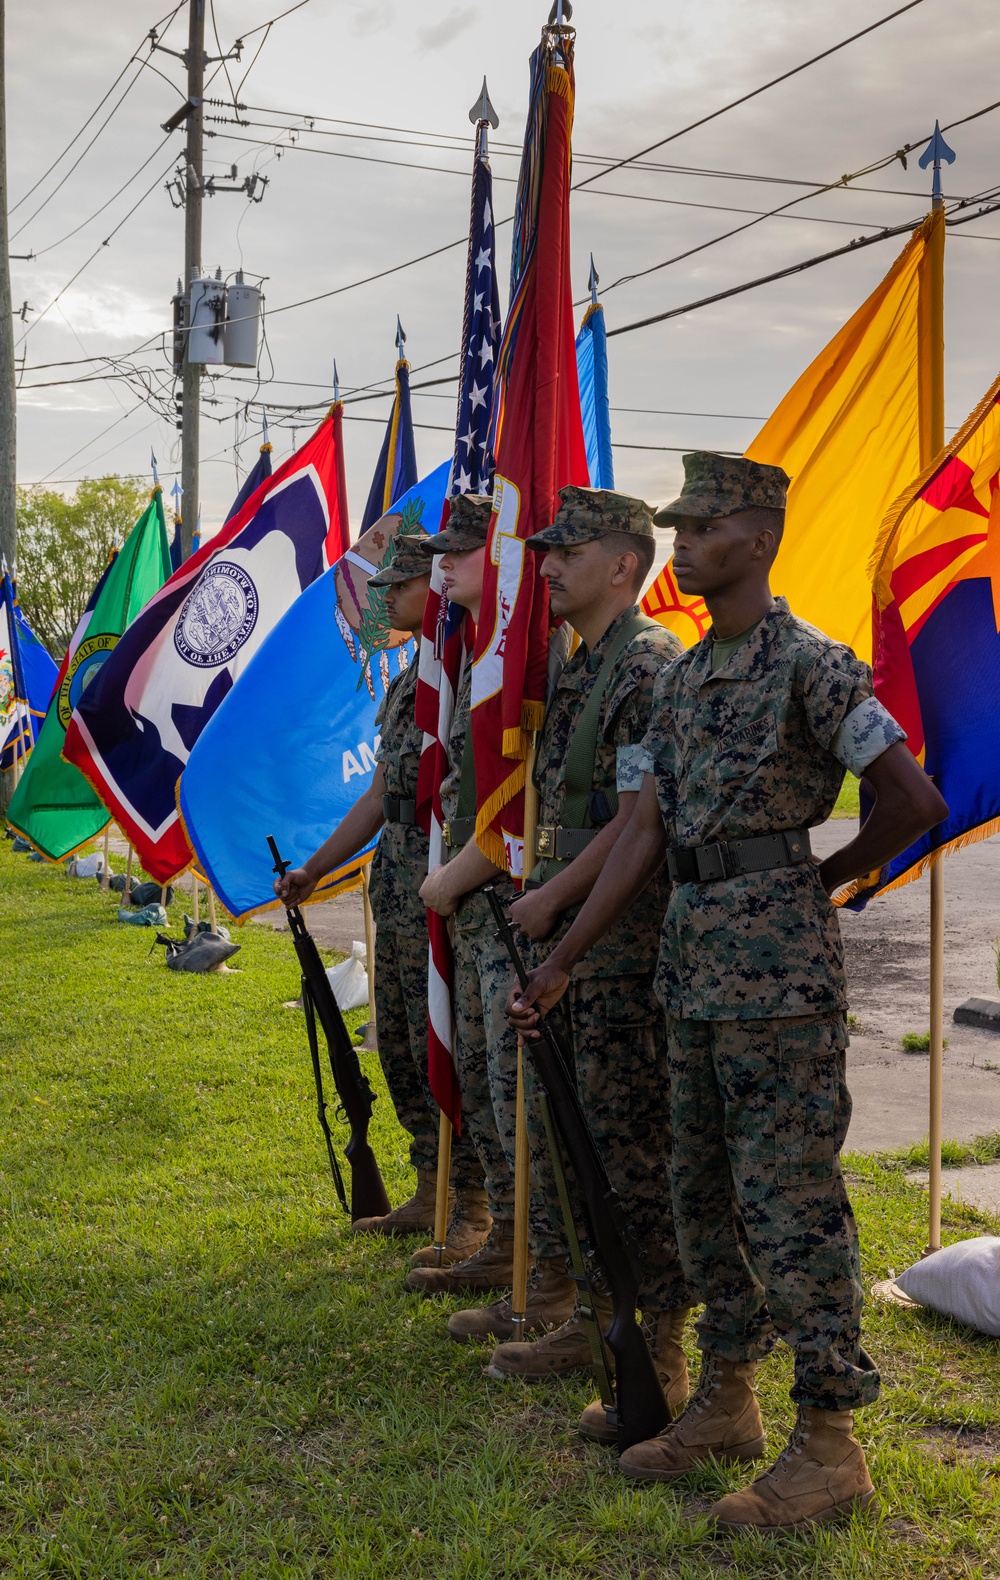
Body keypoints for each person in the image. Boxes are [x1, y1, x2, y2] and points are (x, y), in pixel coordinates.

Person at [507, 453, 948, 1532]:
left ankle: (831, 1440)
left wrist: (823, 879)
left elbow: (910, 796)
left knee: (786, 1206)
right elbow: (644, 830)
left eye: (703, 528)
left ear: (758, 538)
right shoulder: (684, 677)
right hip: (689, 973)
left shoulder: (813, 666)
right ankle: (727, 1397)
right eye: (681, 527)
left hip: (778, 983)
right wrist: (563, 956)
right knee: (700, 1196)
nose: (686, 545)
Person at [453, 486, 694, 1438]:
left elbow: (638, 822)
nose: (545, 566)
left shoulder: (645, 665)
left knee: (625, 1160)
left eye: (568, 551)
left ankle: (660, 1359)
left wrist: (554, 898)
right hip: (574, 951)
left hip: (621, 958)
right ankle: (593, 1326)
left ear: (624, 565)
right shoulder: (588, 666)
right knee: (570, 1147)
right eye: (544, 550)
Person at [274, 531, 487, 1251]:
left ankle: (473, 1207)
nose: (383, 599)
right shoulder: (408, 683)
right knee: (399, 1038)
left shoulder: (469, 673)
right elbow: (376, 796)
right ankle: (430, 1190)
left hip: (446, 875)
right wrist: (315, 867)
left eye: (397, 586)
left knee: (449, 1039)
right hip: (396, 874)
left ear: (437, 585)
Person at [405, 493, 578, 1340]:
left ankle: (544, 1280)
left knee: (519, 1100)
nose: (442, 565)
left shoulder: (522, 659)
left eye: (460, 551)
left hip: (511, 909)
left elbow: (522, 808)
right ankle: (509, 1245)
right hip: (476, 913)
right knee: (483, 1087)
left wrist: (457, 875)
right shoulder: (465, 650)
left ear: (500, 555)